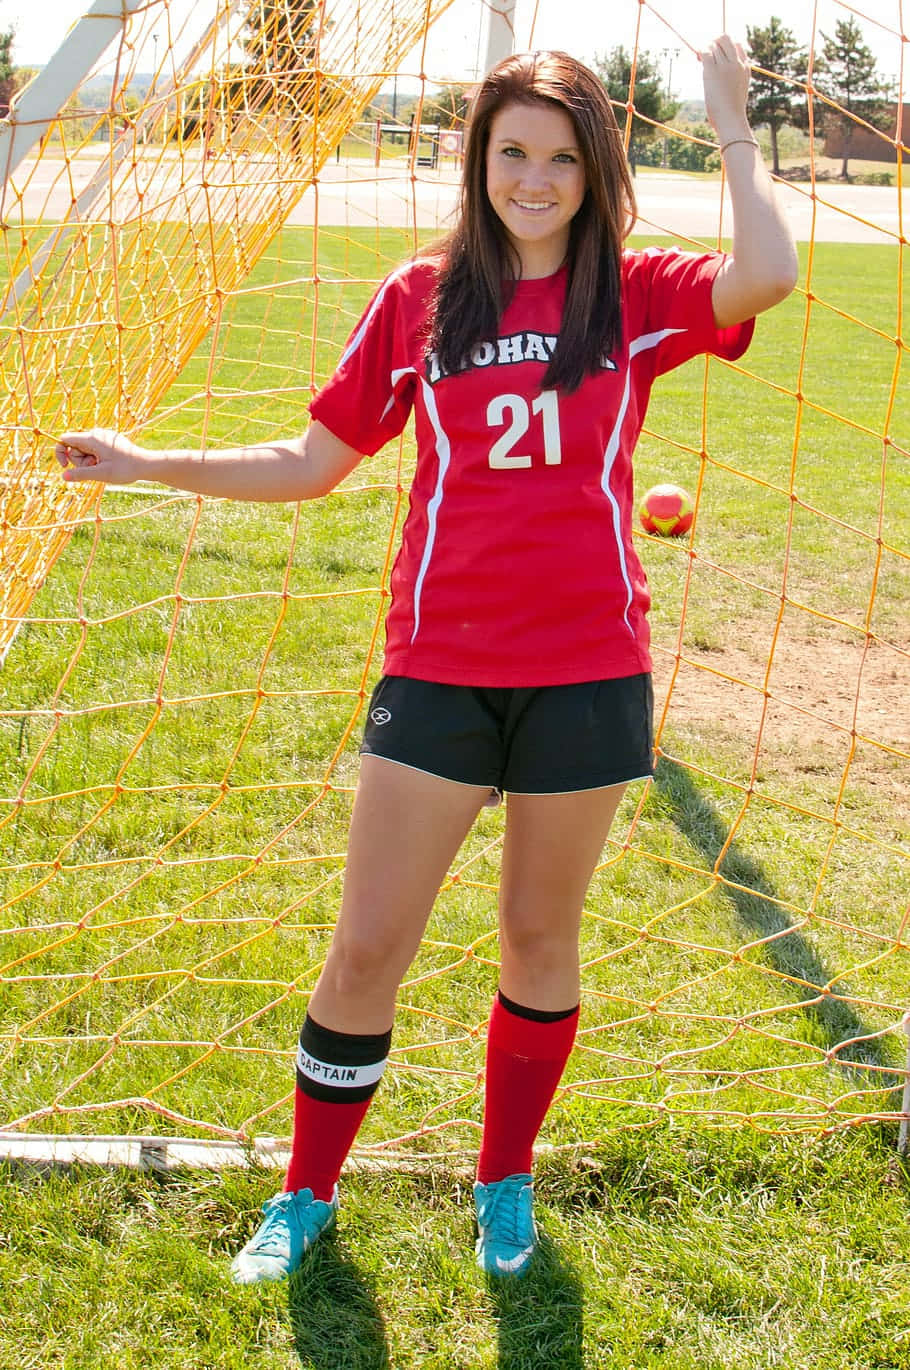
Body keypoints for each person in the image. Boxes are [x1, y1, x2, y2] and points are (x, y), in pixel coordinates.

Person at [56, 38, 797, 1283]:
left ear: (595, 170)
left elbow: (768, 272)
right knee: (365, 948)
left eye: (563, 157)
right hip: (440, 668)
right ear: (479, 160)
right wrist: (147, 459)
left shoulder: (635, 294)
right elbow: (308, 464)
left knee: (535, 942)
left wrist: (728, 121)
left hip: (587, 673)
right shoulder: (421, 297)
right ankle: (304, 1192)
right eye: (513, 151)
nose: (535, 179)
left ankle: (502, 1180)